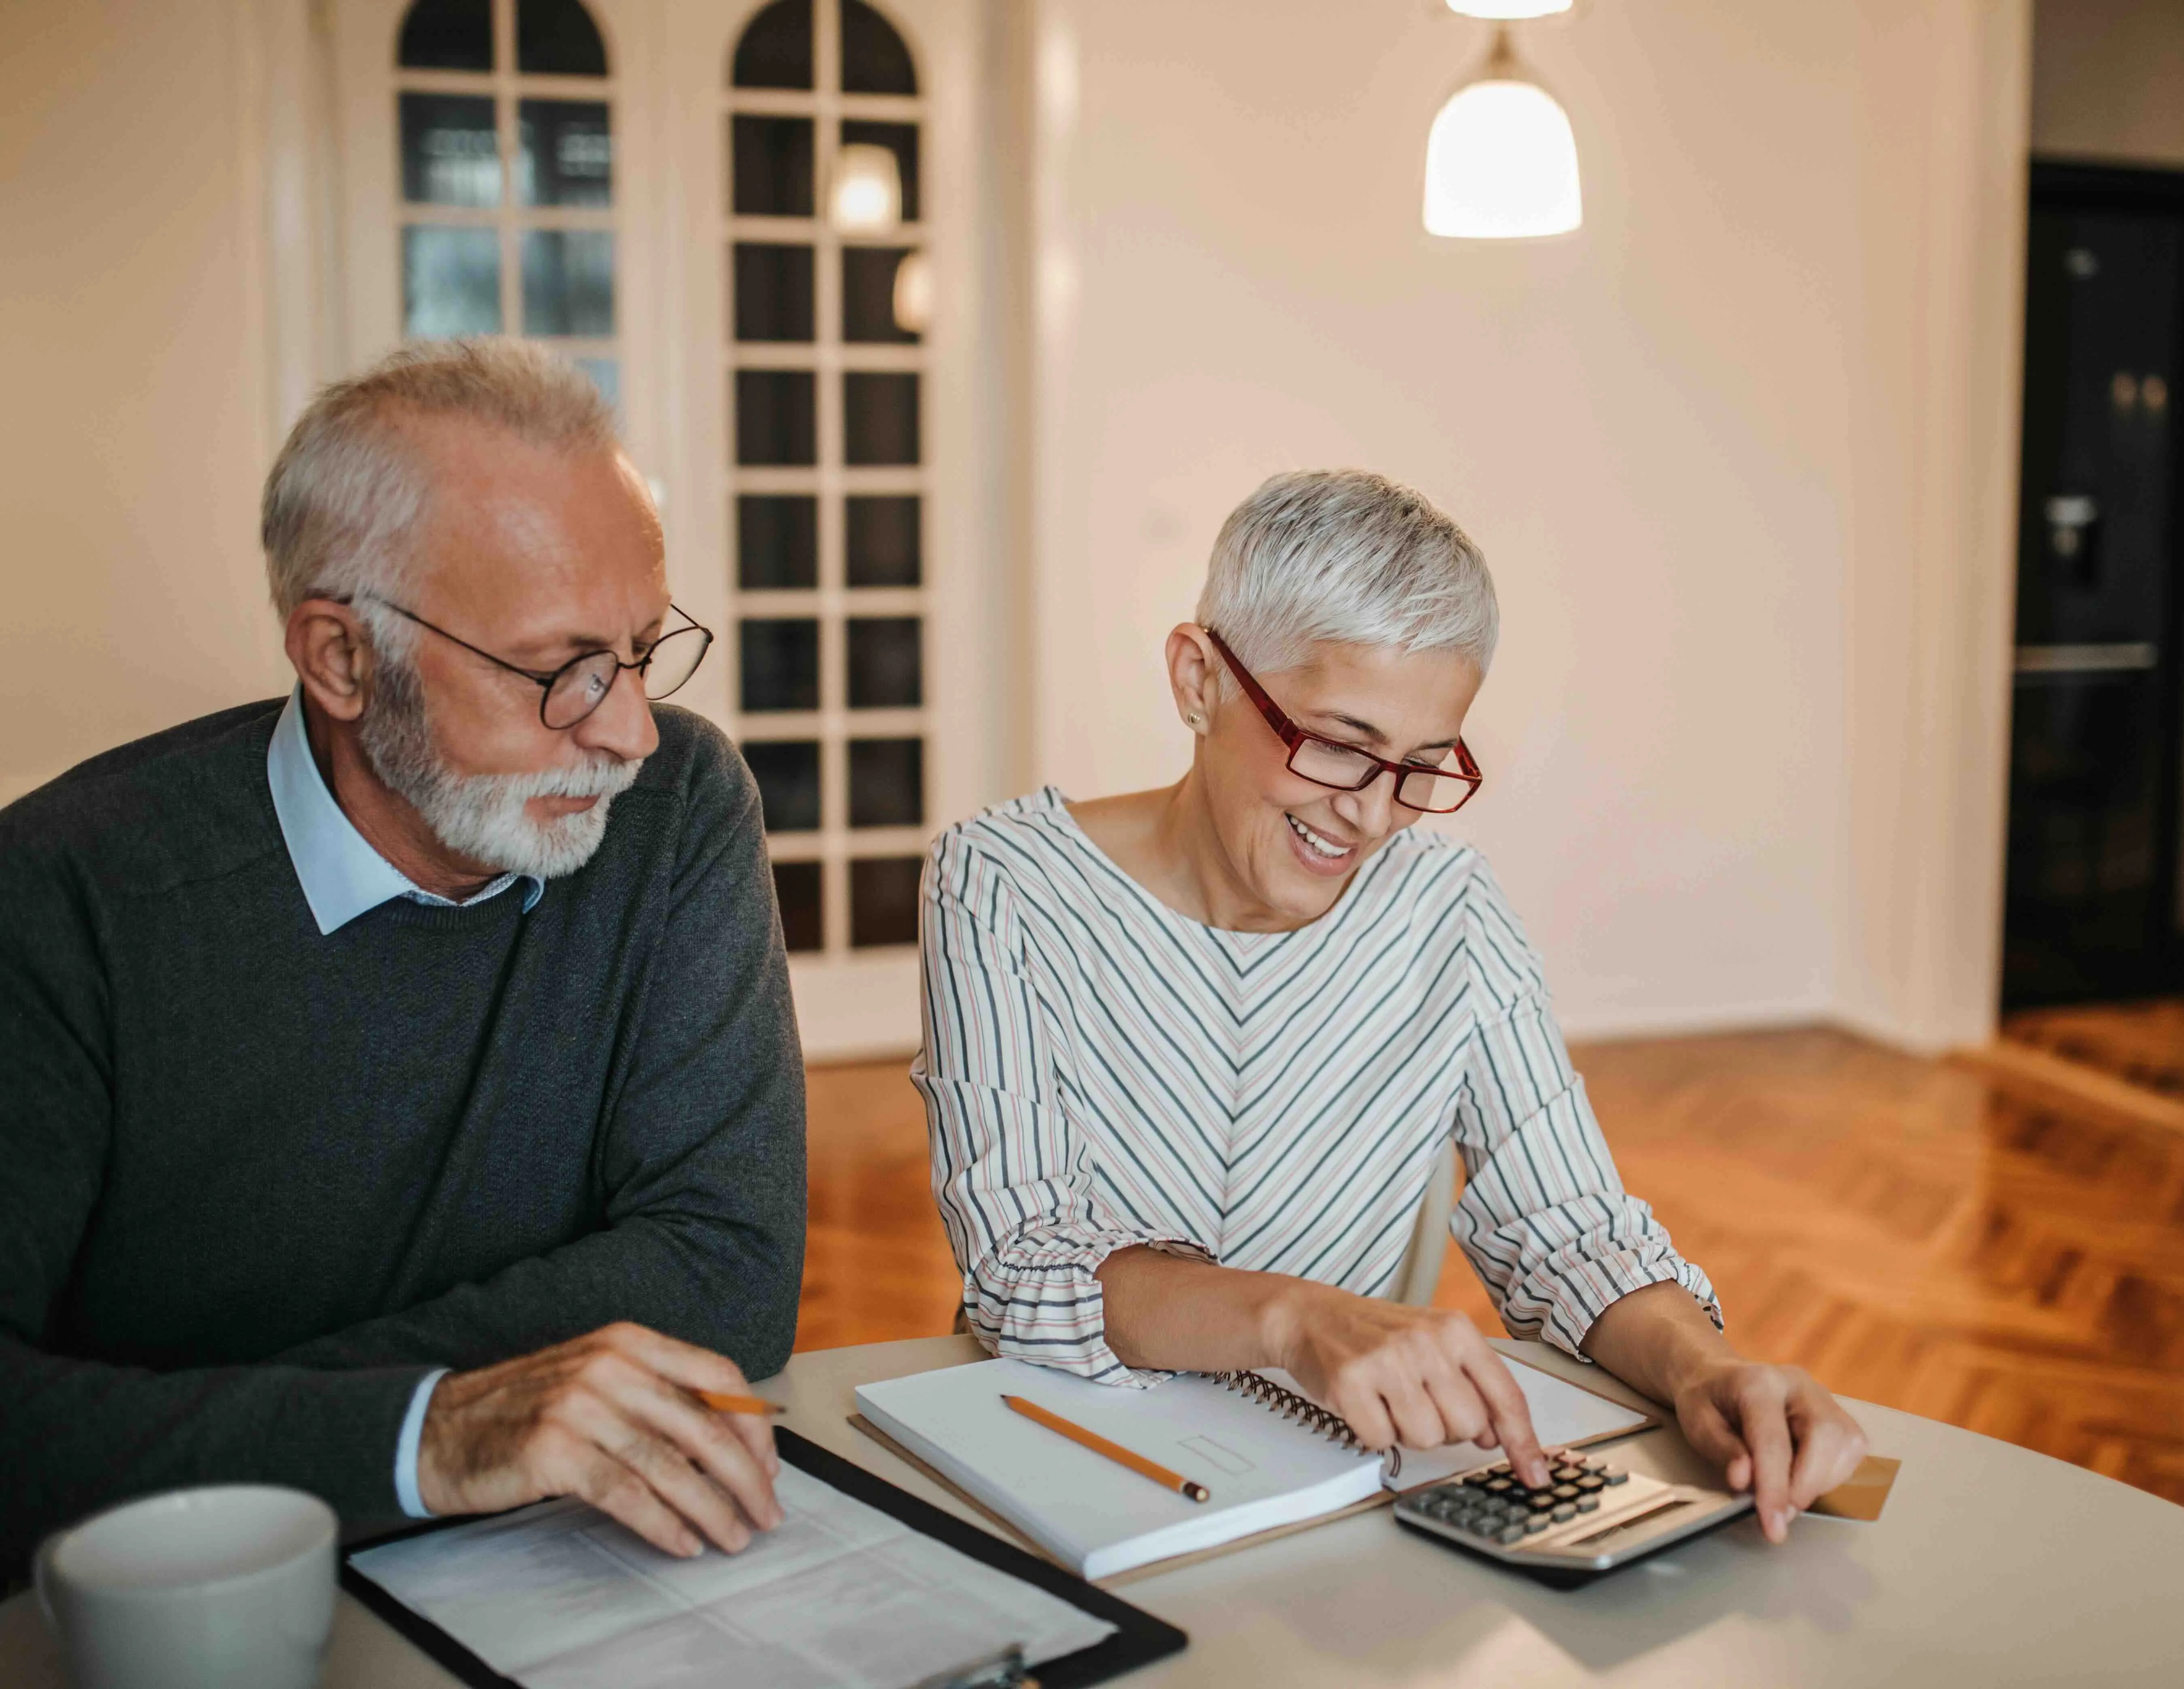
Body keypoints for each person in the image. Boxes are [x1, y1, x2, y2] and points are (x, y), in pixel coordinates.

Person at [918, 470, 1864, 1540]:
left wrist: (1705, 1367)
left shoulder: (1445, 908)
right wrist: (1293, 1317)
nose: (1370, 813)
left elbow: (1568, 1231)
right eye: (1335, 741)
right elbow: (1019, 1259)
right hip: (1054, 1464)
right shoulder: (1003, 880)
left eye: (1420, 766)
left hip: (1326, 1501)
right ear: (1197, 680)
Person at [0, 340, 805, 1574]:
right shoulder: (62, 897)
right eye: (561, 670)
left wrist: (188, 1423)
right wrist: (423, 1431)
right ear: (340, 658)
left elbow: (728, 1269)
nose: (630, 728)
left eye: (643, 648)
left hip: (568, 1567)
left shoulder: (677, 804)